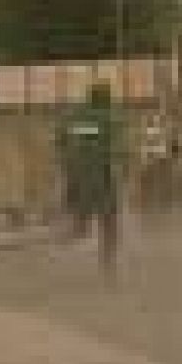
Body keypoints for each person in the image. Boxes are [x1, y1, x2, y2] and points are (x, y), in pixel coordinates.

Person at [56, 82, 127, 281]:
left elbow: (60, 140)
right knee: (109, 222)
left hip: (77, 177)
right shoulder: (110, 118)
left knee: (80, 223)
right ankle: (108, 264)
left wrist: (66, 166)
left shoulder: (72, 116)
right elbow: (117, 149)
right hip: (102, 178)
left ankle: (61, 238)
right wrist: (121, 172)